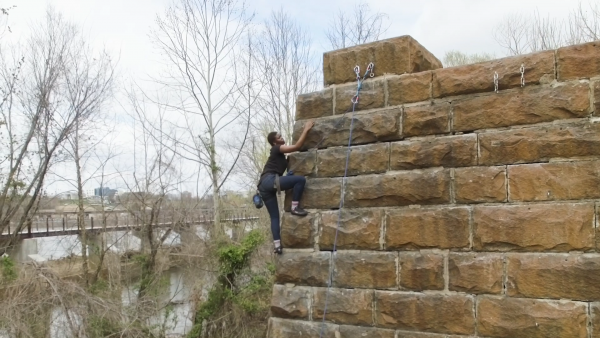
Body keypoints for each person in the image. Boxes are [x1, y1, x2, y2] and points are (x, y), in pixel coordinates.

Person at [258, 120, 315, 254]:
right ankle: (295, 207)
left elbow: (277, 169)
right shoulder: (277, 148)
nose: (281, 137)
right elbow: (297, 146)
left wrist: (287, 174)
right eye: (279, 137)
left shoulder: (280, 156)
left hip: (264, 186)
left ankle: (277, 246)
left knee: (274, 217)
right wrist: (306, 129)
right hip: (269, 180)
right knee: (300, 180)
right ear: (274, 142)